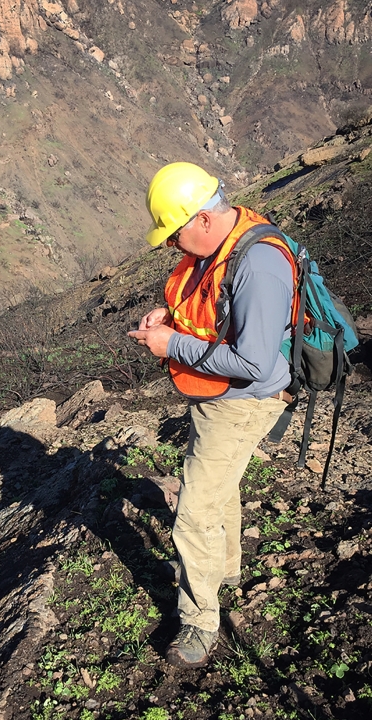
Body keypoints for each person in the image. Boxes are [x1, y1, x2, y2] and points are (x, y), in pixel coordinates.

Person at [128, 162, 296, 669]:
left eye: (174, 234)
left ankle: (201, 621)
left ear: (202, 219)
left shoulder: (258, 263)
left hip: (244, 402)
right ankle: (224, 572)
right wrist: (170, 318)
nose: (171, 246)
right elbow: (214, 308)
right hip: (218, 397)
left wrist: (170, 343)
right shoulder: (221, 244)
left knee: (195, 511)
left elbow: (252, 362)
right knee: (217, 486)